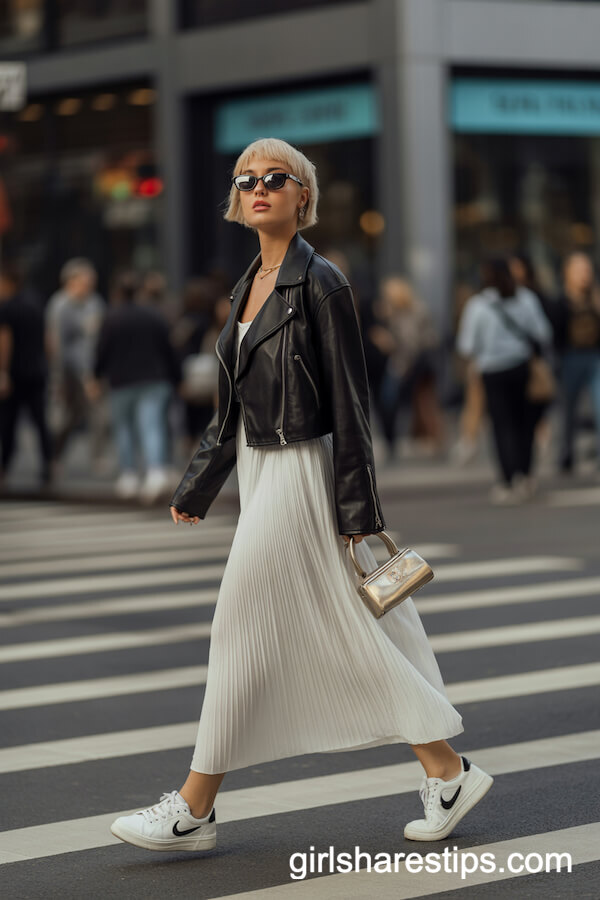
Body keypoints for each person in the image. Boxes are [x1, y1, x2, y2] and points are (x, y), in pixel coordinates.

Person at [110, 137, 492, 853]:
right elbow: (231, 407)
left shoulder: (324, 284)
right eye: (247, 179)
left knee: (239, 626)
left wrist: (357, 513)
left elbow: (351, 407)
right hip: (260, 469)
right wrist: (199, 483)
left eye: (275, 178)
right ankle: (447, 771)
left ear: (302, 196)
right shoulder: (247, 283)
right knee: (355, 626)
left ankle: (193, 809)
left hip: (303, 470)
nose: (259, 188)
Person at [457, 258, 552, 504]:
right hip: (521, 367)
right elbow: (542, 332)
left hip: (492, 371)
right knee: (525, 423)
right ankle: (526, 473)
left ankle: (508, 479)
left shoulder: (478, 305)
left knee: (502, 425)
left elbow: (466, 344)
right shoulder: (526, 299)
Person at [91, 270, 182, 502]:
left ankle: (129, 475)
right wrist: (177, 378)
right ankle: (156, 471)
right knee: (152, 426)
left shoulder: (111, 317)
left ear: (117, 292)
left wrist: (95, 376)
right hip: (154, 378)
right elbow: (169, 349)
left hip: (121, 380)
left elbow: (102, 351)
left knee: (124, 428)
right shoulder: (154, 315)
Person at [370, 277, 444, 460]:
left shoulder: (410, 312)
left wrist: (389, 341)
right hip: (413, 363)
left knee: (417, 401)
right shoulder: (404, 311)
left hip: (410, 364)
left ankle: (430, 440)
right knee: (422, 401)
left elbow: (410, 344)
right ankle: (425, 439)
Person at [45, 258, 105, 466]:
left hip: (91, 368)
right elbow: (56, 345)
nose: (89, 286)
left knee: (98, 414)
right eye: (85, 281)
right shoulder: (60, 305)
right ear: (71, 281)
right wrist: (58, 378)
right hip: (69, 371)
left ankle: (97, 457)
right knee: (68, 417)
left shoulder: (95, 302)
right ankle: (55, 455)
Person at [0, 263, 53, 487]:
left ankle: (4, 468)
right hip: (37, 371)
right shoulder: (36, 303)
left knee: (8, 423)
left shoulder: (6, 308)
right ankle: (48, 466)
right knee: (40, 421)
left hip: (15, 374)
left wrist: (2, 373)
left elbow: (5, 342)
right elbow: (49, 340)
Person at [549, 252, 600, 474]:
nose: (584, 275)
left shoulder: (596, 299)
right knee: (568, 409)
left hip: (595, 357)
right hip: (569, 358)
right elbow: (553, 333)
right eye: (579, 270)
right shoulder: (560, 301)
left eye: (587, 270)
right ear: (567, 273)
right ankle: (566, 452)